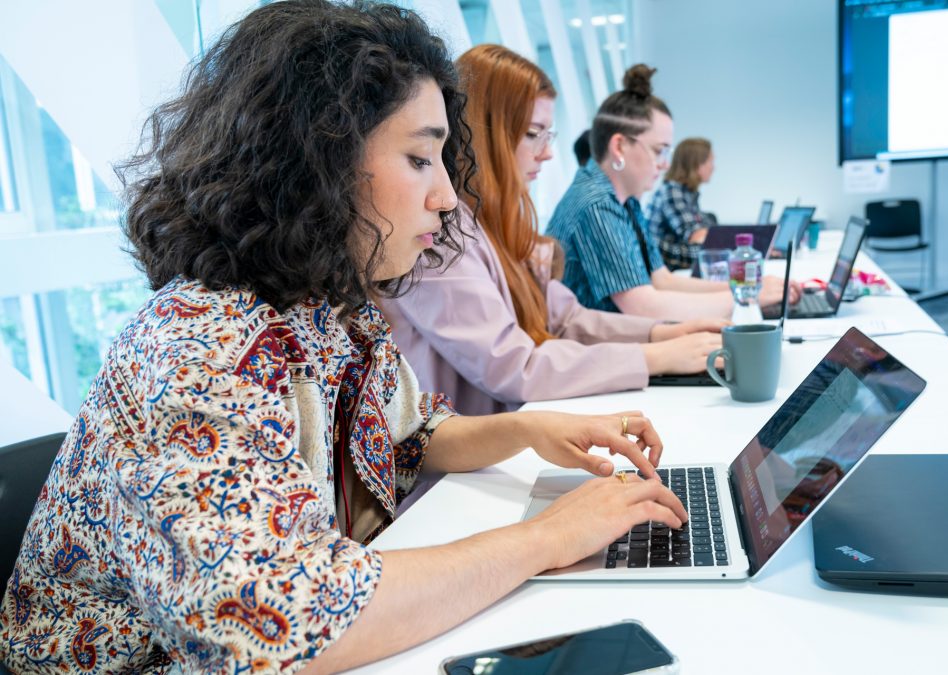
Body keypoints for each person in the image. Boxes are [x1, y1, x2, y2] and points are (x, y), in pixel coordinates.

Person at [0, 4, 687, 673]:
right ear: (315, 159)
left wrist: (533, 431)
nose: (448, 196)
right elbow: (284, 629)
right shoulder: (200, 348)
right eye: (421, 159)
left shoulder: (332, 307)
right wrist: (546, 538)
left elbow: (412, 434)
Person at [380, 44, 725, 416]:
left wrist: (660, 334)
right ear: (486, 134)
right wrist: (655, 352)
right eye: (533, 134)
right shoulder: (440, 235)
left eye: (548, 135)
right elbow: (513, 367)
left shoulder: (500, 220)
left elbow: (563, 316)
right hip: (468, 464)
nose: (546, 153)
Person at [547, 65, 800, 320]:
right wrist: (750, 296)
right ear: (620, 146)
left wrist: (744, 288)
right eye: (659, 151)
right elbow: (643, 306)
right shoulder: (596, 204)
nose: (665, 164)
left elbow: (662, 280)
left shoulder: (625, 201)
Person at [649, 137, 719, 270]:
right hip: (664, 270)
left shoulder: (687, 193)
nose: (713, 167)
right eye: (711, 161)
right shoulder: (672, 191)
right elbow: (696, 236)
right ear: (697, 164)